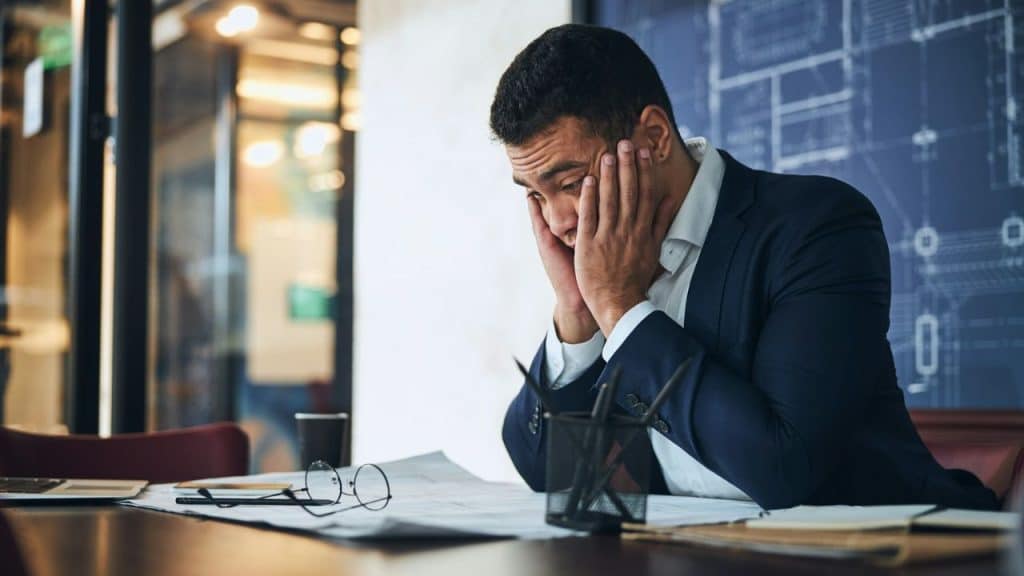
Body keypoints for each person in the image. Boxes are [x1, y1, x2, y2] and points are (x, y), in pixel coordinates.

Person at [491, 24, 998, 510]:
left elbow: (783, 467)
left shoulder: (815, 227)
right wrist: (579, 315)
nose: (557, 220)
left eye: (573, 182)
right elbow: (549, 477)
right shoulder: (600, 279)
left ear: (654, 137)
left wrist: (622, 309)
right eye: (536, 194)